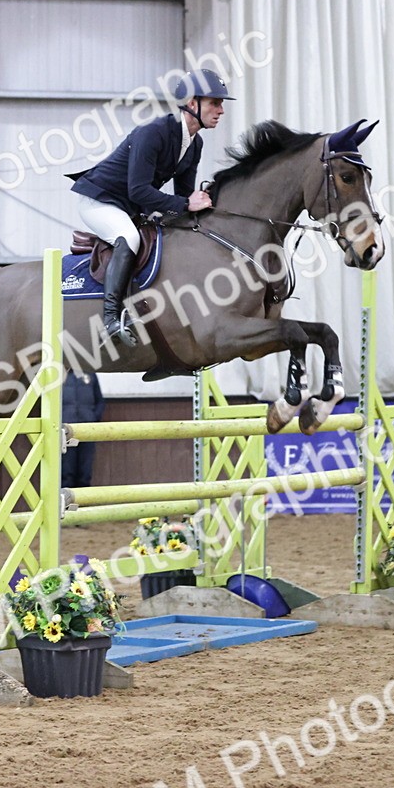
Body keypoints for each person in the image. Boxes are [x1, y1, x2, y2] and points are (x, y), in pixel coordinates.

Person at [68, 68, 233, 346]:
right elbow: (139, 190)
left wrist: (202, 204)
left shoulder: (194, 144)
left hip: (128, 206)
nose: (221, 110)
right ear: (192, 103)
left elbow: (182, 197)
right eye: (215, 103)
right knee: (129, 238)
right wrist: (184, 203)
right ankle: (110, 319)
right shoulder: (153, 132)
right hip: (99, 200)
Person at [61, 370, 105, 489]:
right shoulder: (58, 375)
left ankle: (83, 506)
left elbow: (100, 401)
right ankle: (67, 506)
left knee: (85, 473)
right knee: (66, 473)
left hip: (87, 431)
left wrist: (93, 419)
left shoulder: (90, 374)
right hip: (66, 433)